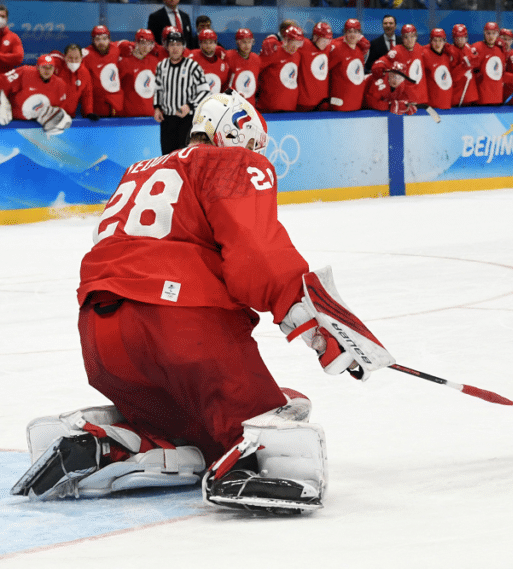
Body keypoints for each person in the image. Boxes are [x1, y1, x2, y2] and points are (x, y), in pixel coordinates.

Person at [10, 91, 394, 514]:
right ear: (233, 132)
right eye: (252, 144)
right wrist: (325, 329)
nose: (254, 154)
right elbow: (260, 260)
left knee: (188, 434)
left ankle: (110, 444)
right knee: (266, 425)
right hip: (179, 328)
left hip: (100, 340)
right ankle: (244, 466)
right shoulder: (232, 163)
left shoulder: (139, 171)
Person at [154, 30, 210, 154]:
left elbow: (205, 91)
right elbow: (158, 88)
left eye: (178, 44)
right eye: (172, 44)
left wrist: (190, 105)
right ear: (167, 47)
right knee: (167, 156)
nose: (175, 48)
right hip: (167, 120)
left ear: (183, 47)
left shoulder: (193, 66)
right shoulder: (161, 66)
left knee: (184, 155)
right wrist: (157, 107)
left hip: (187, 120)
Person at [0, 54, 72, 134]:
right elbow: (2, 82)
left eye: (50, 67)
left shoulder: (60, 85)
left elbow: (59, 107)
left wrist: (57, 119)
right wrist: (2, 103)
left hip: (36, 128)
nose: (47, 70)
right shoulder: (25, 72)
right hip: (12, 123)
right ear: (37, 67)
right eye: (44, 67)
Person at [257, 24, 304, 113]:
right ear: (286, 40)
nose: (295, 48)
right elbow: (255, 70)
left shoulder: (297, 55)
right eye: (292, 45)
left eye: (298, 44)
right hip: (270, 107)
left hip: (290, 106)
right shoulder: (273, 51)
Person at [327, 18, 371, 112]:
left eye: (355, 31)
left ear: (359, 33)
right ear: (345, 32)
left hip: (356, 104)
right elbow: (325, 72)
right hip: (340, 105)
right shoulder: (337, 48)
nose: (352, 34)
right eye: (349, 31)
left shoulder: (359, 50)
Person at [82, 25, 123, 116]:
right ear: (93, 40)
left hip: (115, 104)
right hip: (96, 106)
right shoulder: (85, 54)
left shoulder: (116, 49)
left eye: (104, 38)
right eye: (98, 39)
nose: (101, 42)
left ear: (109, 39)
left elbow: (133, 45)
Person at [117, 29, 159, 117]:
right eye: (143, 42)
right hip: (128, 115)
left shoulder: (155, 61)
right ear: (136, 42)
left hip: (150, 115)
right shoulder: (124, 63)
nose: (146, 47)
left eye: (150, 43)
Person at [297, 21, 333, 111]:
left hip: (323, 102)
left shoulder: (328, 47)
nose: (326, 43)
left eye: (329, 40)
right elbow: (286, 41)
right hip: (305, 101)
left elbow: (343, 41)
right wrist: (273, 38)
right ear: (315, 37)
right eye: (324, 40)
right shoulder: (304, 45)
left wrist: (361, 39)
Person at [471, 22, 508, 105]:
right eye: (488, 33)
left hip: (497, 97)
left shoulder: (500, 50)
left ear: (498, 34)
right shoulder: (477, 47)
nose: (491, 36)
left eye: (494, 33)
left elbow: (502, 72)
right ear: (484, 33)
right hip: (482, 97)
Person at [420, 27, 456, 110]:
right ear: (430, 41)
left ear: (444, 42)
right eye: (435, 40)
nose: (438, 43)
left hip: (446, 103)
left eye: (440, 40)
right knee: (434, 121)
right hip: (430, 106)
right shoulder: (424, 53)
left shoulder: (447, 55)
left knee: (445, 123)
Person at [226, 28, 262, 106]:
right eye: (243, 42)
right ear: (237, 43)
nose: (247, 45)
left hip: (250, 104)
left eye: (249, 42)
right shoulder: (229, 56)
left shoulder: (256, 59)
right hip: (232, 104)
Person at [448, 23, 479, 107]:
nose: (460, 40)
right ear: (453, 38)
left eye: (462, 37)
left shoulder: (469, 47)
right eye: (457, 38)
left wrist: (474, 62)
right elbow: (452, 77)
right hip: (457, 95)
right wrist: (464, 66)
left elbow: (476, 64)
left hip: (470, 93)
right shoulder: (450, 51)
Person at [190, 29, 229, 94]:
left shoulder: (223, 63)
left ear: (216, 43)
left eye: (211, 42)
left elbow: (224, 87)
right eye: (205, 42)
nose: (208, 45)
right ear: (200, 44)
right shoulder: (192, 58)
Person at [0, 5, 24, 73]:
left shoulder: (13, 37)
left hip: (6, 79)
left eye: (2, 16)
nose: (0, 19)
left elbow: (19, 57)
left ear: (6, 18)